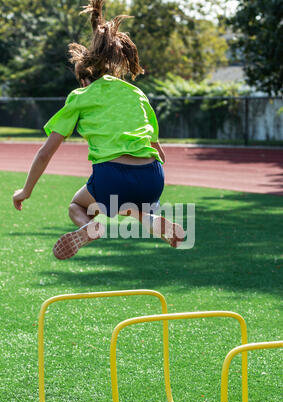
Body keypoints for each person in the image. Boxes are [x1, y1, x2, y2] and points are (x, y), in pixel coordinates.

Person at [13, 0, 185, 259]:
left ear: (84, 79)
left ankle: (89, 226)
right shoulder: (136, 93)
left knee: (77, 204)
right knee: (131, 205)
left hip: (112, 176)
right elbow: (158, 150)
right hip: (153, 177)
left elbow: (45, 152)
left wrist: (25, 191)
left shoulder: (80, 96)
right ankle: (150, 219)